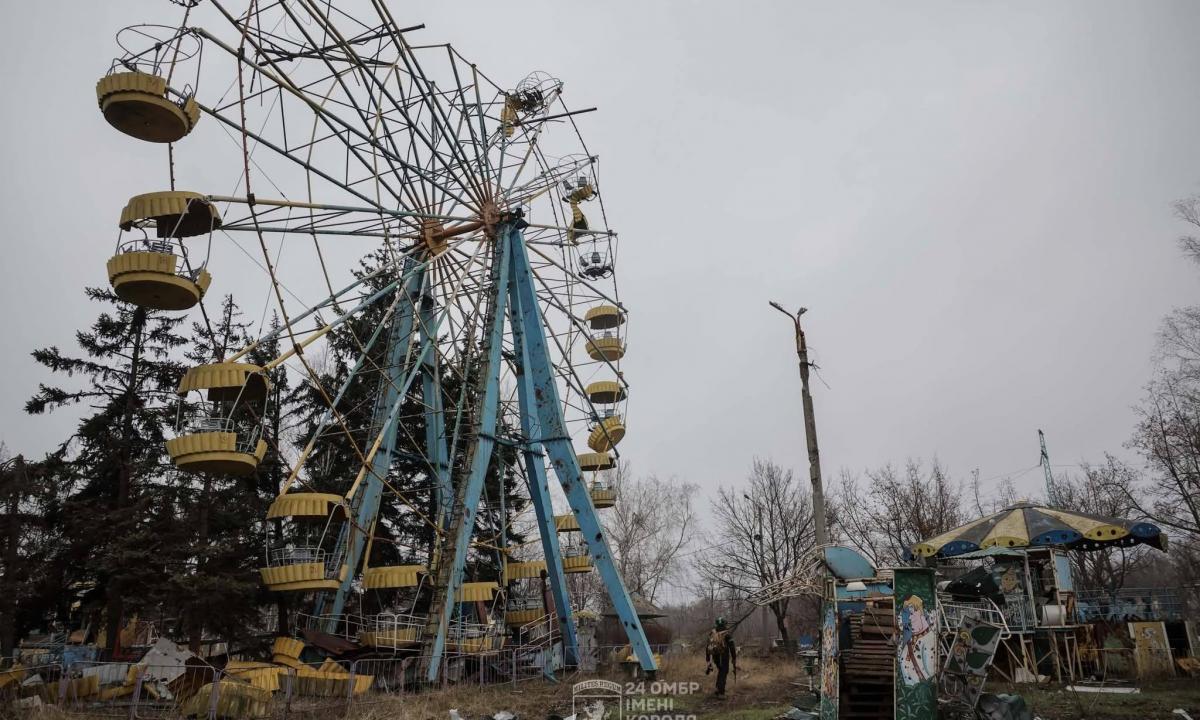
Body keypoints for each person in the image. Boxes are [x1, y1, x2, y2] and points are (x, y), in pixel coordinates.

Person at [705, 616, 737, 697]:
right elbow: (732, 647)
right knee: (724, 672)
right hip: (724, 656)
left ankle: (717, 688)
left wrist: (708, 659)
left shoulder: (712, 633)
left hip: (715, 656)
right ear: (724, 623)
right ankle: (721, 693)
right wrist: (734, 658)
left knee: (721, 671)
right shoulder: (727, 634)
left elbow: (708, 646)